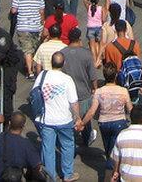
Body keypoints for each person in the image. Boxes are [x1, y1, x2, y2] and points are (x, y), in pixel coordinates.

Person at [33, 50, 82, 182]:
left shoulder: (42, 75)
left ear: (51, 63)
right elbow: (74, 102)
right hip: (64, 119)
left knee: (48, 148)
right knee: (67, 145)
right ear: (63, 63)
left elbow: (35, 93)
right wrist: (77, 117)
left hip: (46, 119)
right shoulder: (67, 79)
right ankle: (68, 174)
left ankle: (50, 177)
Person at [81, 62, 132, 172]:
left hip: (104, 123)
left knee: (109, 149)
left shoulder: (99, 91)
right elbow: (130, 109)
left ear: (104, 75)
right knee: (117, 151)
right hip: (120, 123)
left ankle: (111, 168)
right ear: (116, 76)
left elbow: (91, 111)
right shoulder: (123, 91)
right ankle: (113, 172)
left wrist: (82, 123)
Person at [61, 27, 98, 149]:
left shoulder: (62, 53)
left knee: (69, 118)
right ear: (79, 38)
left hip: (67, 94)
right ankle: (86, 140)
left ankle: (69, 141)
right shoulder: (86, 54)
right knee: (85, 118)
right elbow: (93, 76)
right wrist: (95, 89)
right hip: (84, 93)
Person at [11, 0, 46, 77]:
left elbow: (13, 10)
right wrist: (42, 22)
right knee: (35, 48)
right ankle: (35, 68)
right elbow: (42, 11)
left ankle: (30, 72)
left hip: (23, 26)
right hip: (36, 26)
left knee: (27, 50)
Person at [0, 111, 43, 182]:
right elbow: (36, 164)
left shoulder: (1, 137)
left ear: (9, 123)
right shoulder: (26, 144)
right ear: (23, 126)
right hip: (15, 178)